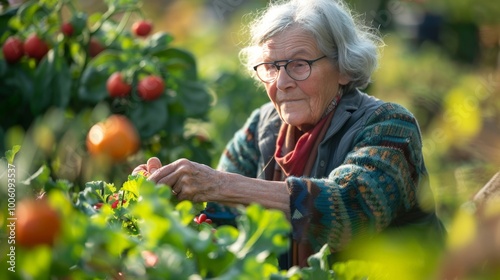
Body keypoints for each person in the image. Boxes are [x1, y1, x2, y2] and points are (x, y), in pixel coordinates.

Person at [133, 0, 445, 269]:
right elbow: (222, 214)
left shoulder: (389, 126)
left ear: (345, 68)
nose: (281, 82)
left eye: (299, 65)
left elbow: (350, 211)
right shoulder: (262, 127)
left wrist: (216, 183)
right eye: (271, 66)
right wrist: (173, 196)